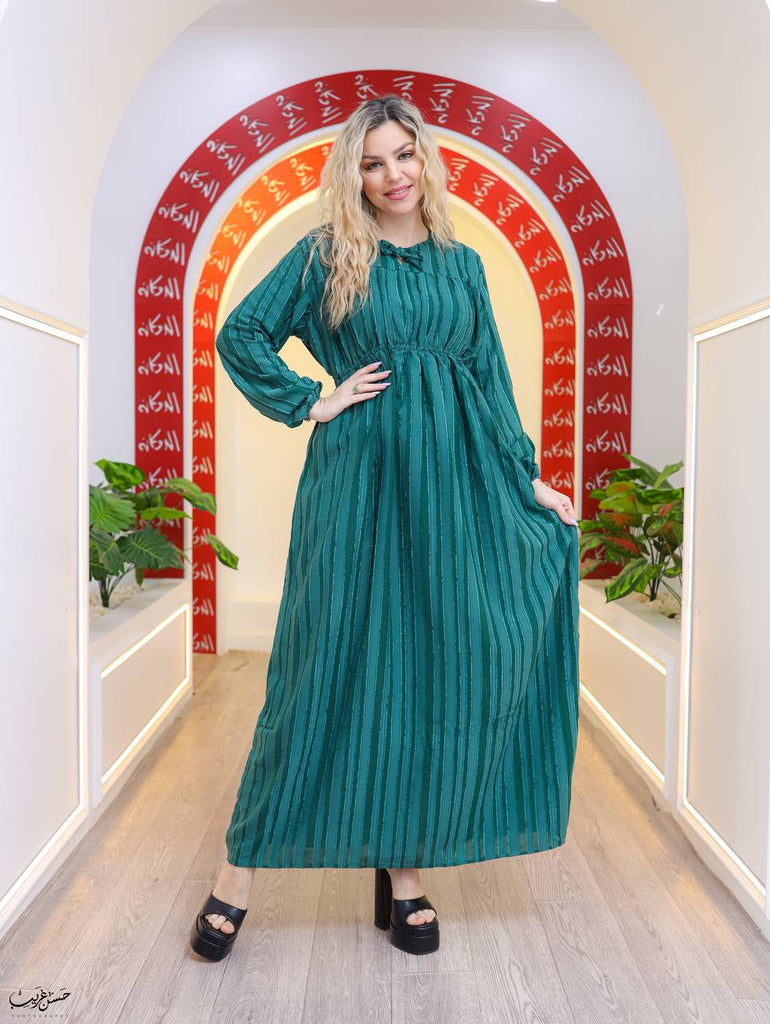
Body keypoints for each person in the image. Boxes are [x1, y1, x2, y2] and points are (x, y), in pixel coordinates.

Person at [190, 93, 580, 962]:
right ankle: (238, 871)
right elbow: (242, 334)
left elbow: (490, 382)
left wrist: (529, 478)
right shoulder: (327, 254)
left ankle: (403, 877)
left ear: (425, 161)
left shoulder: (462, 266)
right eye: (372, 162)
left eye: (404, 155)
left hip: (454, 490)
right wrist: (312, 400)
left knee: (428, 672)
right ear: (353, 175)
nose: (392, 174)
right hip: (358, 482)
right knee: (316, 670)